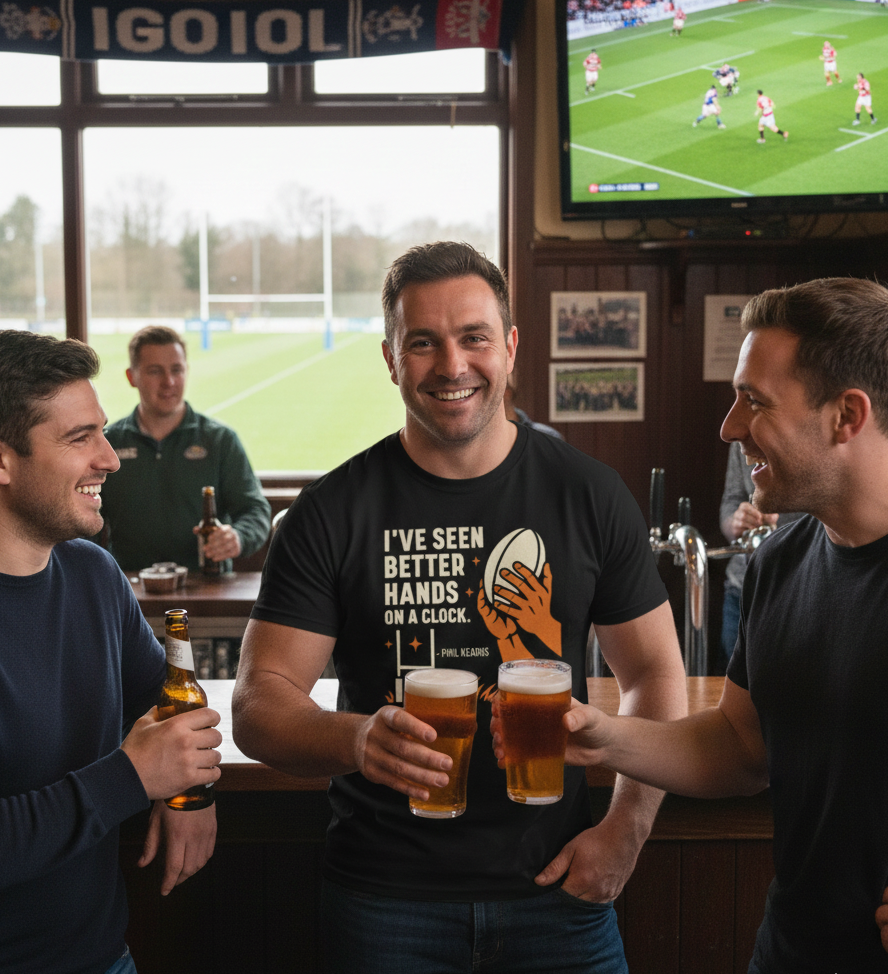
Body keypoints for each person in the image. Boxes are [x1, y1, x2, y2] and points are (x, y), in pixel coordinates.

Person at [232, 241, 687, 974]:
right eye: (423, 343)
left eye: (474, 337)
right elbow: (259, 704)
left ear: (510, 348)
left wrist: (626, 828)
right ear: (390, 359)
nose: (452, 365)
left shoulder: (589, 493)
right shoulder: (330, 511)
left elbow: (656, 674)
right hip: (384, 900)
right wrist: (356, 738)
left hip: (560, 894)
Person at [559, 278, 888, 972]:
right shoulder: (781, 562)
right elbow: (741, 746)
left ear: (846, 415)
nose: (730, 427)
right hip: (789, 950)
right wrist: (608, 738)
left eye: (755, 401)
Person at [0, 330, 222, 974]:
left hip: (103, 957)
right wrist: (131, 779)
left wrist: (190, 795)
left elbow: (171, 703)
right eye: (79, 438)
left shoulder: (95, 574)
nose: (110, 458)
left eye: (102, 431)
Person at [98, 326, 271, 572]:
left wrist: (238, 537)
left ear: (187, 371)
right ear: (131, 377)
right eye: (155, 371)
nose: (168, 382)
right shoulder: (108, 443)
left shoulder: (220, 440)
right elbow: (85, 523)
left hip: (207, 583)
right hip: (130, 586)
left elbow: (255, 509)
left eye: (176, 370)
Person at [717, 441, 801, 665]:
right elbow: (730, 501)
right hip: (741, 589)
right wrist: (736, 522)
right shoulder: (740, 441)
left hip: (797, 588)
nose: (728, 432)